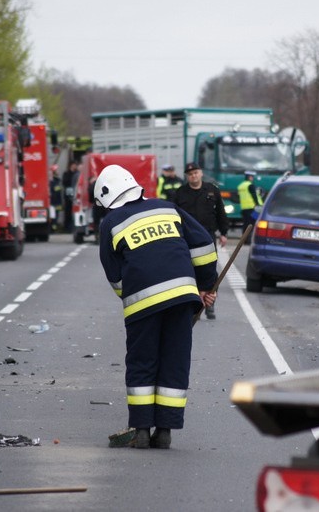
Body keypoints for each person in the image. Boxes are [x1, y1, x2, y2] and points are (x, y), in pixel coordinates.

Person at [95, 164, 218, 449]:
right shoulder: (167, 208)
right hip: (182, 298)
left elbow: (114, 275)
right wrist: (204, 286)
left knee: (142, 363)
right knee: (174, 361)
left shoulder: (110, 223)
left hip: (142, 305)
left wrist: (133, 295)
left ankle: (140, 430)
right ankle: (164, 432)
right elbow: (203, 245)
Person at [173, 162, 229, 320]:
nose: (193, 176)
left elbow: (221, 213)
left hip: (208, 238)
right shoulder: (180, 193)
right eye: (190, 174)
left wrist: (223, 233)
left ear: (201, 173)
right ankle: (192, 306)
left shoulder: (212, 190)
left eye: (196, 172)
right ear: (187, 176)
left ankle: (210, 304)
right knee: (189, 271)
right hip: (186, 239)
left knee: (210, 272)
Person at [237, 170, 263, 244]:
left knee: (246, 224)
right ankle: (250, 240)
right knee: (254, 223)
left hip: (244, 208)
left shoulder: (241, 186)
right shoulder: (250, 185)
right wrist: (257, 204)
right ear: (250, 177)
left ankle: (244, 240)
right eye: (252, 177)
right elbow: (254, 195)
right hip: (253, 208)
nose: (253, 178)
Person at [61, 160, 79, 232]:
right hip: (68, 195)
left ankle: (73, 226)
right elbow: (65, 182)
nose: (75, 166)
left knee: (74, 210)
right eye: (73, 165)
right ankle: (67, 227)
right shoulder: (66, 173)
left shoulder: (77, 173)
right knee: (67, 210)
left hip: (75, 194)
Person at [49, 165, 63, 232]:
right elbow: (55, 191)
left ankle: (54, 228)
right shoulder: (53, 181)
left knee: (56, 215)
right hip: (54, 202)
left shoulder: (57, 180)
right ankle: (53, 228)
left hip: (57, 201)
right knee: (54, 216)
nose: (58, 172)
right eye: (56, 170)